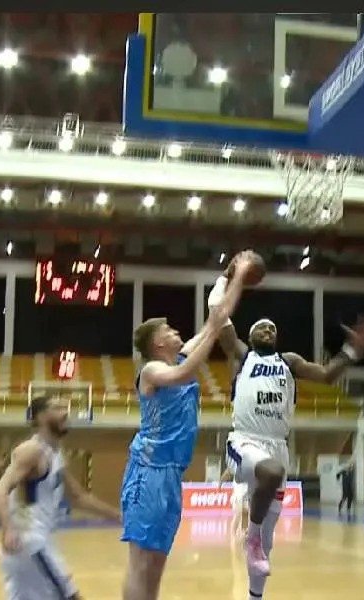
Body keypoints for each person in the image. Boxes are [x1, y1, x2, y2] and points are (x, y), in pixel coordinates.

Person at [211, 265, 364, 599]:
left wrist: (353, 350)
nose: (267, 330)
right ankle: (251, 536)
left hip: (278, 446)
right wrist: (226, 276)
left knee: (266, 548)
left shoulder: (289, 361)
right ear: (250, 336)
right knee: (269, 479)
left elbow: (326, 375)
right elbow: (218, 313)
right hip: (245, 440)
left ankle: (254, 591)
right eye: (261, 327)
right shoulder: (242, 355)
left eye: (272, 328)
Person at [121, 252, 252, 600]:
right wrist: (239, 278)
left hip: (171, 474)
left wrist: (229, 278)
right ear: (158, 343)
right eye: (169, 330)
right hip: (148, 471)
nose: (177, 331)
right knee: (140, 563)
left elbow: (216, 320)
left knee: (157, 563)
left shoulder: (180, 355)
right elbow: (184, 372)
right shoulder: (152, 370)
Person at [0, 395, 121, 600]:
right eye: (58, 408)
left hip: (30, 545)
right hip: (30, 543)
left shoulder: (55, 452)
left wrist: (119, 516)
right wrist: (7, 529)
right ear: (41, 417)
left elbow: (78, 496)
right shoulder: (31, 451)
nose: (65, 412)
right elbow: (0, 491)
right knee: (70, 597)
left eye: (65, 407)